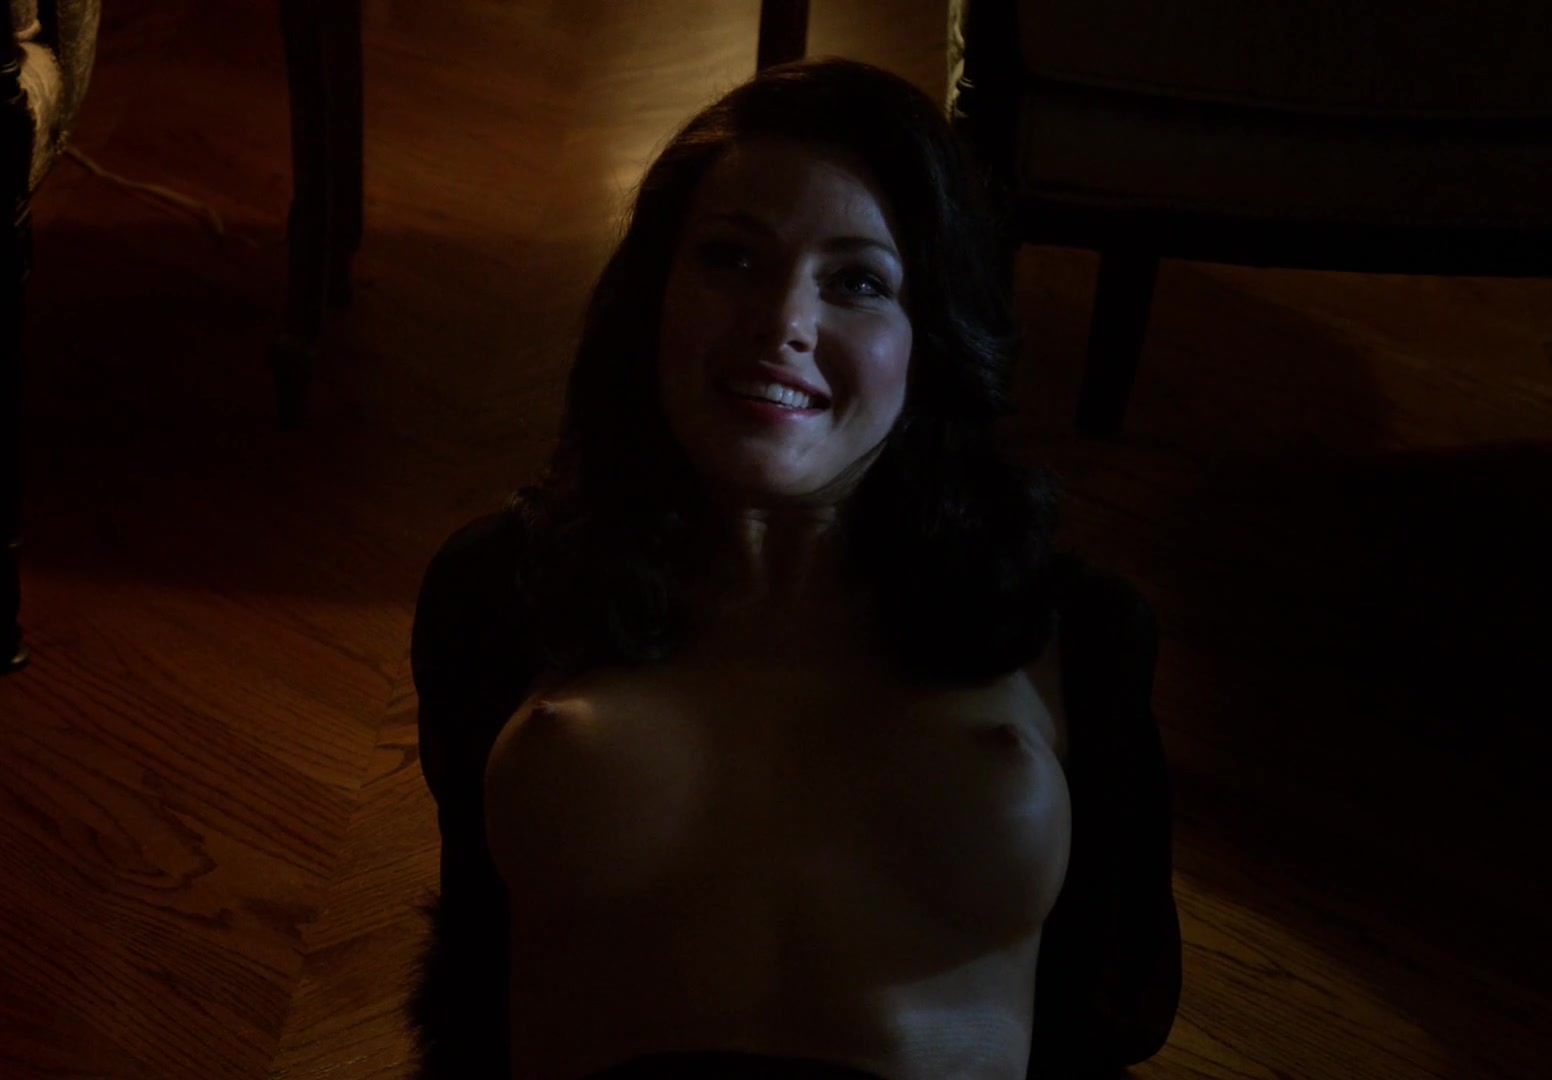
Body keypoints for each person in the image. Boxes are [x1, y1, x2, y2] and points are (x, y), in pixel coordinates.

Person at [406, 57, 1181, 1080]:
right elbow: (473, 981)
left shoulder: (1076, 629)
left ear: (931, 336)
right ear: (655, 297)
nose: (781, 326)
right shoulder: (498, 588)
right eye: (731, 258)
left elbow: (1118, 1006)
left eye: (857, 281)